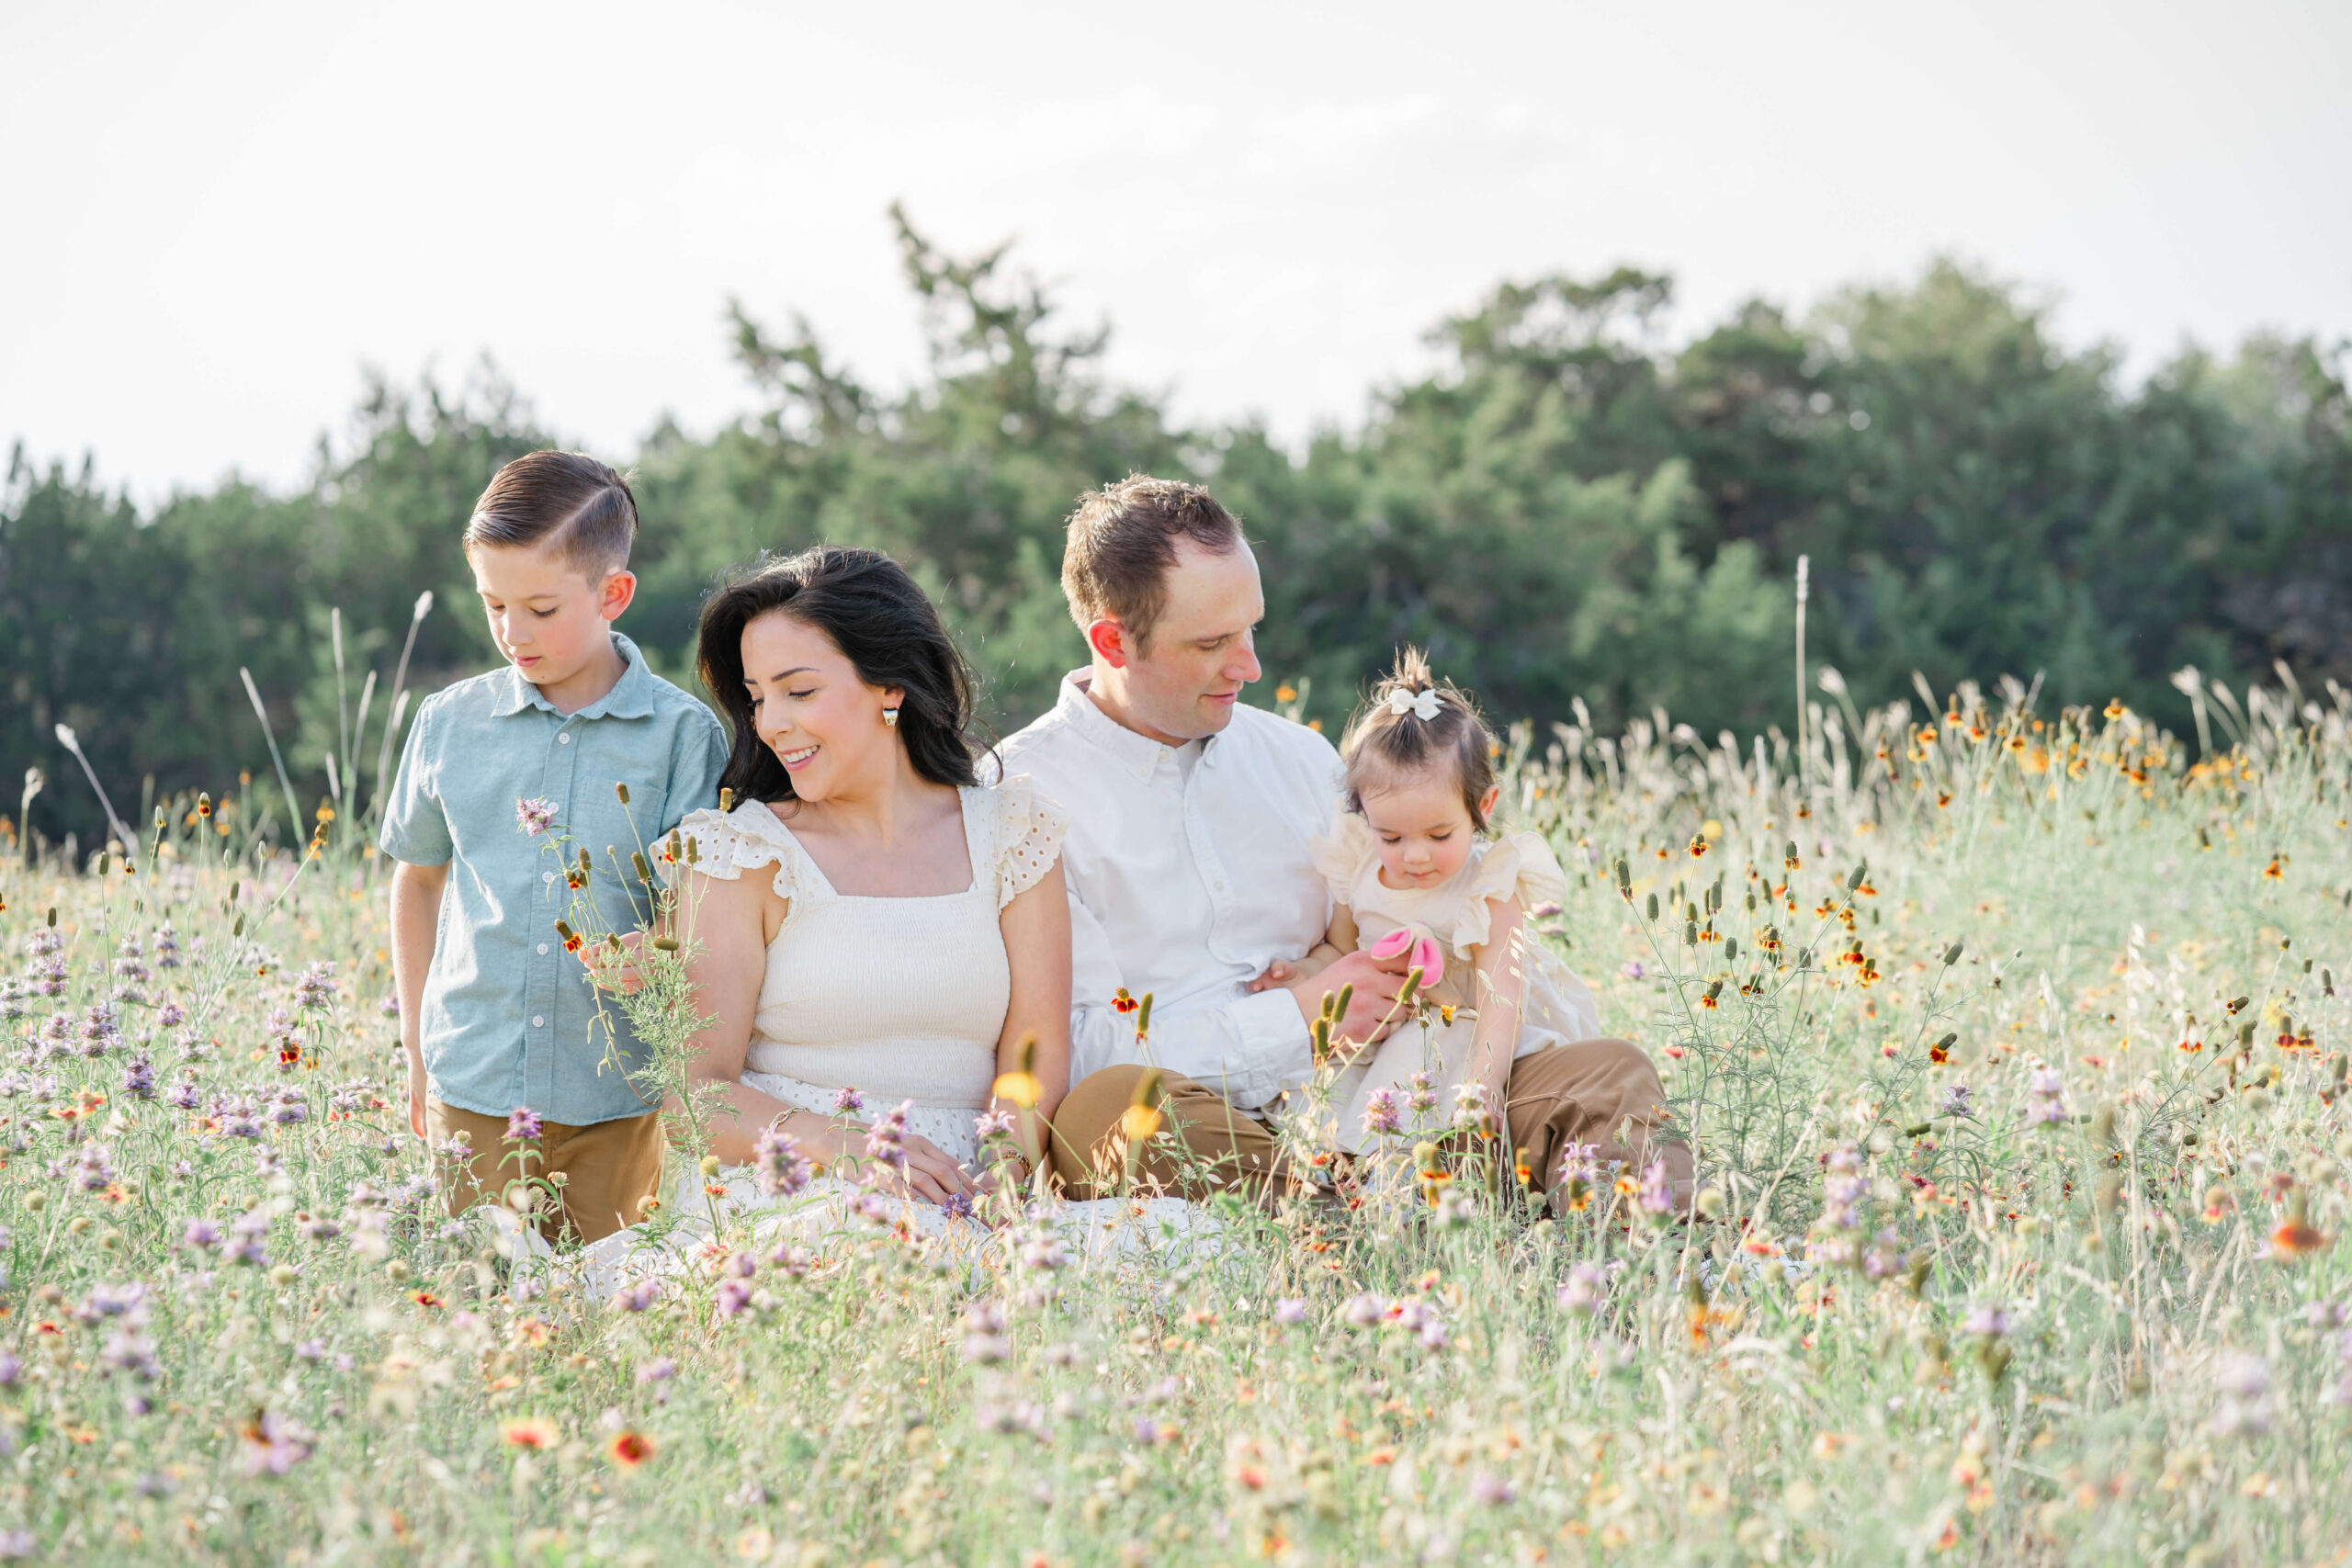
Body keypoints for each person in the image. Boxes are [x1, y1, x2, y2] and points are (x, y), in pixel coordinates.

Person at [1002, 475, 1690, 1203]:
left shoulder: (1301, 759)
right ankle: (1366, 1229)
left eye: (1251, 628)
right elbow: (1064, 1052)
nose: (1250, 666)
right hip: (1222, 1134)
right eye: (1213, 642)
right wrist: (1299, 1018)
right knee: (1108, 1112)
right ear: (1113, 640)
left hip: (1401, 1090)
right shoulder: (1024, 795)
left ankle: (1664, 1273)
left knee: (1608, 1072)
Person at [647, 545, 1075, 1225]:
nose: (772, 723)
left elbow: (1038, 1046)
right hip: (798, 1180)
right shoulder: (738, 854)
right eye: (757, 698)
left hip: (968, 1179)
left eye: (800, 690)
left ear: (891, 685)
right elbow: (694, 1097)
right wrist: (850, 1144)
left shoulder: (1015, 834)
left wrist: (1003, 1173)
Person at [382, 450, 728, 1245]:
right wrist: (415, 1045)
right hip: (473, 1080)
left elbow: (699, 902)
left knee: (612, 1302)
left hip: (617, 1094)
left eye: (539, 607)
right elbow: (419, 878)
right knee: (480, 1295)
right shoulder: (449, 724)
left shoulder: (681, 737)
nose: (512, 631)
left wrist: (659, 948)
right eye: (493, 603)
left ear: (614, 593)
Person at [1300, 650, 1662, 1196]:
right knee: (1342, 1114)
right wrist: (1300, 975)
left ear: (1482, 807)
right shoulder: (1358, 870)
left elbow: (1503, 995)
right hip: (1393, 1035)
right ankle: (1377, 1197)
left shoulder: (1490, 884)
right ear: (1364, 817)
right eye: (1392, 837)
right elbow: (1340, 950)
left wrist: (1486, 1082)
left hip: (1481, 1033)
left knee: (1452, 1102)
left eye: (1439, 835)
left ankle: (1463, 1191)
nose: (1415, 856)